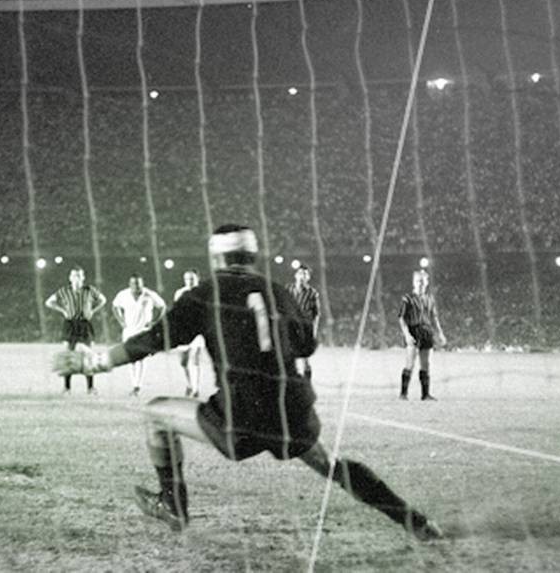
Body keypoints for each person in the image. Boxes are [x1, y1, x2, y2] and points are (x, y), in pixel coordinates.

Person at [54, 224, 442, 539]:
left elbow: (154, 339)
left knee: (156, 414)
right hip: (292, 409)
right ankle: (416, 523)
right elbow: (307, 346)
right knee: (333, 466)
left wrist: (97, 362)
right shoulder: (280, 292)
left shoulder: (205, 293)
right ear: (252, 255)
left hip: (239, 416)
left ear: (217, 256)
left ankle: (173, 505)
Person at [45, 266, 107, 394]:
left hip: (85, 324)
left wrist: (93, 311)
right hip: (70, 324)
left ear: (83, 277)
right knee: (69, 356)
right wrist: (62, 310)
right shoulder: (64, 291)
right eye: (74, 275)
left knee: (88, 356)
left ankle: (90, 388)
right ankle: (67, 388)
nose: (76, 278)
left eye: (79, 275)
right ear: (70, 278)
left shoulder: (89, 290)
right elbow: (49, 302)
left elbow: (103, 300)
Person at [112, 274, 167, 396]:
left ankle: (138, 386)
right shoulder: (123, 294)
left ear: (142, 283)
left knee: (141, 358)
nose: (137, 286)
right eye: (134, 283)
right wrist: (121, 321)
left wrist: (155, 321)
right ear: (130, 284)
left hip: (144, 330)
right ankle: (134, 384)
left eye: (139, 284)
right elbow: (115, 306)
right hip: (129, 331)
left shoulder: (149, 294)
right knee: (130, 358)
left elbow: (162, 306)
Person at [398, 269, 446, 401]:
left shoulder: (429, 299)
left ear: (427, 282)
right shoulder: (407, 299)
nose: (420, 284)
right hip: (413, 331)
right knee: (410, 363)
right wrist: (407, 335)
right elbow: (401, 318)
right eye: (418, 281)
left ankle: (425, 394)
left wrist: (440, 333)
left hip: (426, 331)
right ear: (413, 283)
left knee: (426, 364)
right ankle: (403, 394)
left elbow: (434, 317)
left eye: (423, 281)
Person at [173, 269, 206, 397]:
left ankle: (196, 389)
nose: (189, 281)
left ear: (197, 279)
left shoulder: (203, 293)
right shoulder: (180, 293)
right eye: (187, 279)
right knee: (183, 362)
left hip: (198, 330)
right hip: (183, 329)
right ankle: (189, 385)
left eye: (192, 279)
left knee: (194, 359)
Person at [287, 265, 321, 380]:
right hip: (291, 326)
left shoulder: (313, 293)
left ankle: (307, 382)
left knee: (305, 358)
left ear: (309, 278)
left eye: (305, 274)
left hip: (305, 327)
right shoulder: (289, 290)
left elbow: (316, 314)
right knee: (289, 355)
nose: (302, 276)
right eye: (300, 273)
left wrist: (314, 331)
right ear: (296, 275)